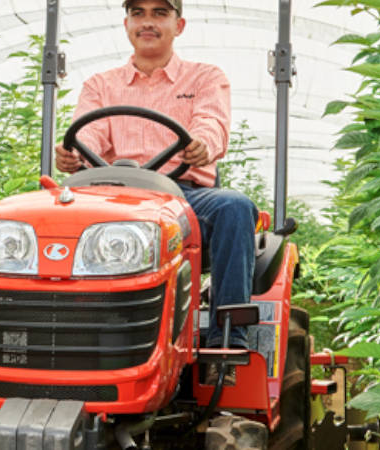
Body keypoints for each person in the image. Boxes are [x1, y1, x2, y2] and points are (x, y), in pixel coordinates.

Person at [55, 0, 255, 349]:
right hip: (115, 196)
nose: (148, 22)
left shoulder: (205, 77)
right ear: (127, 23)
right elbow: (89, 131)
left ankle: (228, 338)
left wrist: (203, 145)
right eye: (139, 13)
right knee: (49, 218)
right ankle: (61, 332)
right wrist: (74, 150)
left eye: (160, 13)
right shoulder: (101, 85)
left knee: (234, 207)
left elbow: (211, 123)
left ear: (179, 25)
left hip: (183, 196)